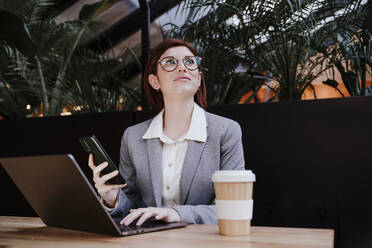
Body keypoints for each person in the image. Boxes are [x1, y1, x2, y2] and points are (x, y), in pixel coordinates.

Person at [88, 38, 245, 226]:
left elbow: (233, 207)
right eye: (170, 62)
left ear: (198, 78)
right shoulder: (133, 137)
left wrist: (176, 213)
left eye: (190, 61)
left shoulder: (226, 131)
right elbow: (131, 208)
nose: (182, 67)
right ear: (155, 81)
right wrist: (112, 198)